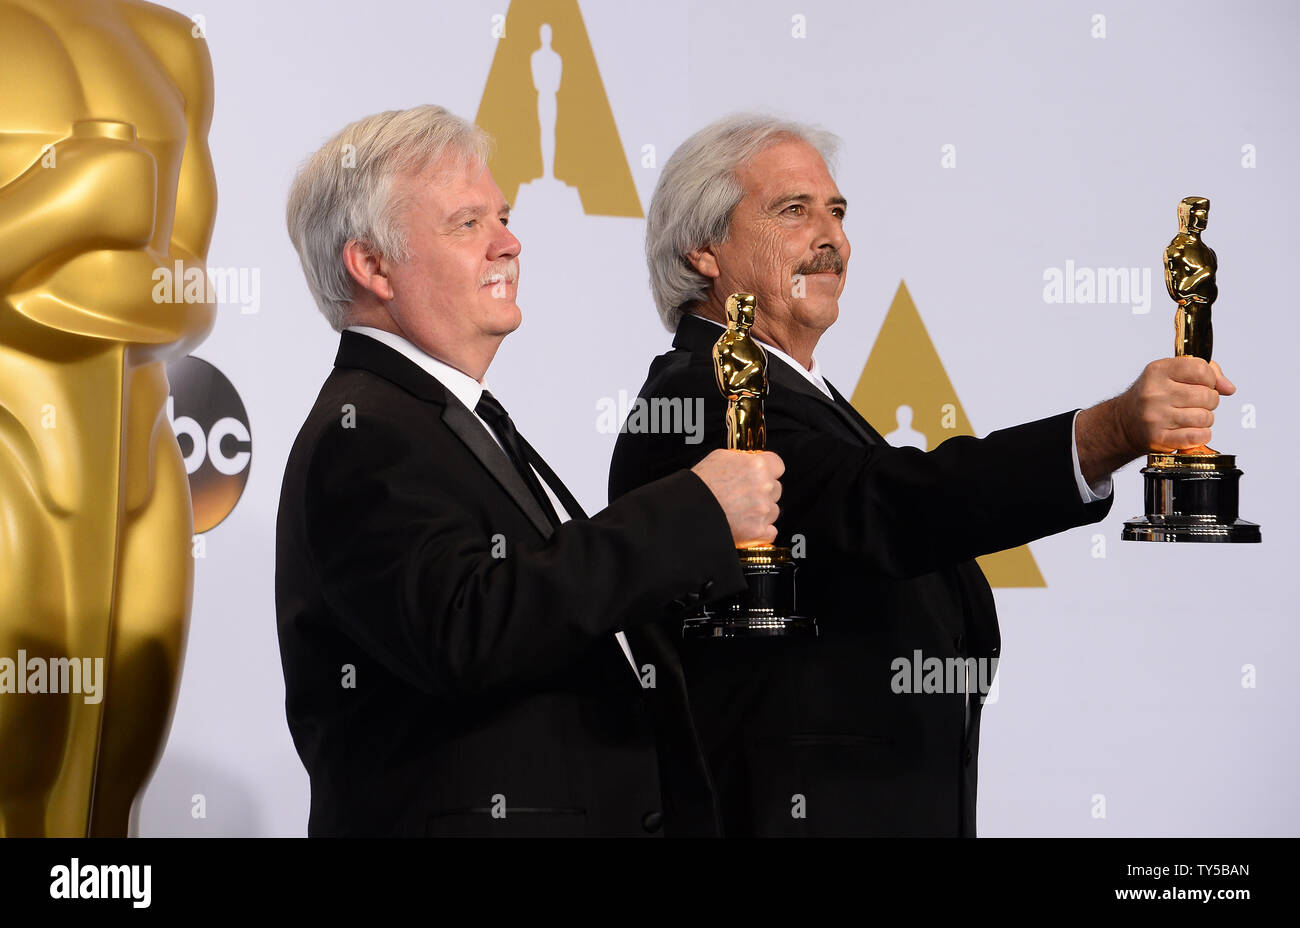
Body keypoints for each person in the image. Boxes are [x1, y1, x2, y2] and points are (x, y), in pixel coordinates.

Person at [609, 113, 1235, 837]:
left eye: (837, 212)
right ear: (704, 249)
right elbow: (885, 503)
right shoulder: (700, 397)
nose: (831, 236)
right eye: (792, 210)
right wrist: (1102, 435)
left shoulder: (802, 396)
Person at [276, 105, 783, 837]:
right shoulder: (364, 433)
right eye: (468, 224)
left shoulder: (437, 417)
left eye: (503, 217)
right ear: (372, 264)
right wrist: (694, 511)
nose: (510, 244)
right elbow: (467, 626)